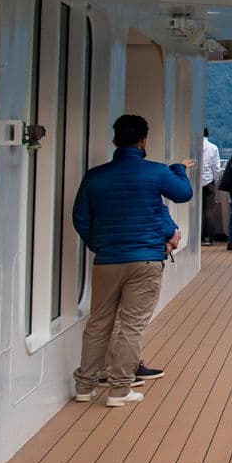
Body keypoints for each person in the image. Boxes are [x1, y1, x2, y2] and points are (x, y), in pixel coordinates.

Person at [71, 114, 191, 406]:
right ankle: (119, 390)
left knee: (98, 323)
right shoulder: (156, 172)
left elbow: (80, 218)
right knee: (131, 326)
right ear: (143, 141)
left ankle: (85, 387)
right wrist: (179, 169)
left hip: (107, 259)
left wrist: (100, 244)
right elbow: (183, 193)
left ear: (115, 140)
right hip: (145, 260)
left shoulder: (95, 176)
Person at [199, 128, 221, 245]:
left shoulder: (193, 147)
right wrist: (214, 180)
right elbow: (216, 168)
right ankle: (208, 237)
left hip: (194, 182)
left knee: (194, 209)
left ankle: (195, 236)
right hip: (208, 181)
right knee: (209, 210)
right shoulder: (213, 147)